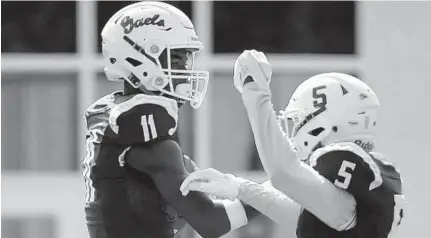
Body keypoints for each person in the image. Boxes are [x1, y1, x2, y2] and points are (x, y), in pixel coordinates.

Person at [181, 50, 406, 238]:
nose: (294, 132)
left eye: (298, 120)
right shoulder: (353, 192)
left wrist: (255, 92)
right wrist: (237, 186)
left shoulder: (344, 182)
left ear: (323, 124)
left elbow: (284, 172)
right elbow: (301, 216)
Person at [82, 2, 255, 238]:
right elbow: (212, 223)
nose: (184, 69)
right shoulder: (146, 129)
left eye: (185, 60)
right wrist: (273, 193)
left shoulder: (116, 112)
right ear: (138, 59)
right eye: (175, 60)